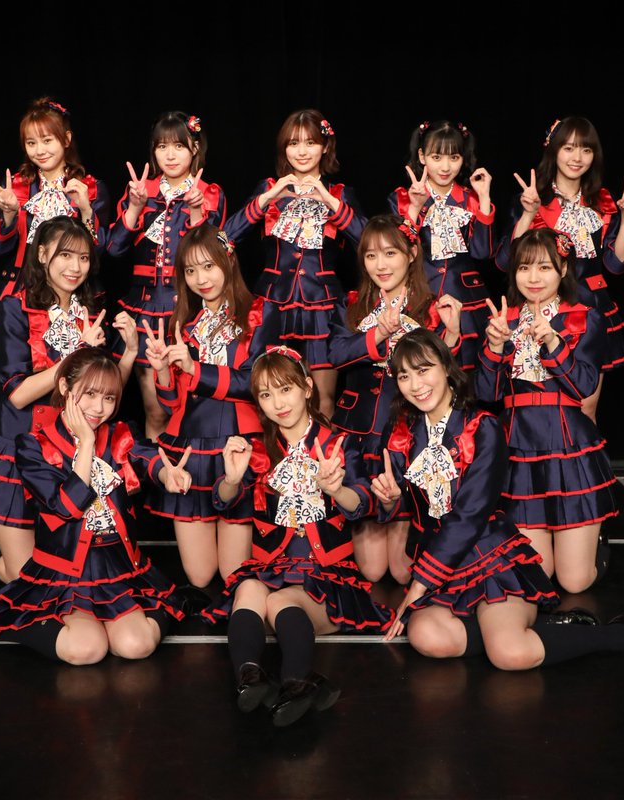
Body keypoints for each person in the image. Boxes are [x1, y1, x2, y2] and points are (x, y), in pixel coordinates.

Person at [374, 329, 624, 669]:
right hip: (444, 569)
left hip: (488, 558)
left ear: (446, 368)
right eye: (404, 376)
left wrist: (419, 586)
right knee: (427, 636)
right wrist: (391, 501)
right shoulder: (402, 434)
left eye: (423, 370)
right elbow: (414, 508)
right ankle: (541, 628)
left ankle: (620, 634)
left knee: (510, 655)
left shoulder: (482, 427)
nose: (415, 384)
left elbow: (470, 515)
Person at [0, 348, 187, 664]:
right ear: (65, 388)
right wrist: (86, 443)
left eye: (109, 398)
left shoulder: (120, 434)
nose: (99, 408)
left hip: (117, 567)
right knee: (86, 650)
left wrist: (167, 473)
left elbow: (146, 456)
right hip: (64, 573)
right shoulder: (33, 446)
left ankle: (172, 605)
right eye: (90, 394)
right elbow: (68, 506)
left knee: (136, 646)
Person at [203, 348, 394, 726]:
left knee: (278, 601)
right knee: (248, 590)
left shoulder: (338, 444)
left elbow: (363, 504)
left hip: (325, 575)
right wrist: (231, 480)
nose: (278, 403)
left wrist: (337, 490)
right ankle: (250, 679)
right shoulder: (258, 449)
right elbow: (224, 503)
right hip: (272, 567)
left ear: (307, 387)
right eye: (266, 394)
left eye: (286, 389)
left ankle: (297, 682)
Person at [0, 216, 137, 584]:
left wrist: (129, 351)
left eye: (83, 258)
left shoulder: (89, 311)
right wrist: (76, 353)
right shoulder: (14, 308)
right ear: (41, 255)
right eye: (65, 255)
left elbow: (103, 391)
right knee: (25, 578)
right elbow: (18, 395)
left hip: (68, 444)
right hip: (18, 442)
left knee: (72, 570)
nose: (75, 267)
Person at [135, 224, 276, 603]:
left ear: (228, 261)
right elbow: (172, 403)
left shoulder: (260, 314)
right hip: (189, 449)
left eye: (208, 266)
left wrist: (195, 369)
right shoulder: (185, 324)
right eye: (191, 270)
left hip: (238, 446)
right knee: (199, 576)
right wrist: (163, 372)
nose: (201, 279)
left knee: (234, 576)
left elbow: (256, 382)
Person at [477, 228, 616, 594]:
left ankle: (598, 547)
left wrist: (553, 341)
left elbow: (583, 386)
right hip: (519, 452)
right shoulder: (503, 321)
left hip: (568, 448)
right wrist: (495, 347)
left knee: (573, 582)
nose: (533, 277)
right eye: (524, 268)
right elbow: (487, 393)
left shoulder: (583, 317)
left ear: (563, 269)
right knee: (539, 577)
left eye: (544, 267)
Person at [331, 214, 462, 584]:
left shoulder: (433, 307)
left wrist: (452, 337)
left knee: (404, 573)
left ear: (411, 253)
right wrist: (378, 333)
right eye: (371, 256)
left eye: (390, 253)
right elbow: (335, 354)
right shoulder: (352, 303)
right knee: (373, 571)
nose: (381, 265)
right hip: (358, 433)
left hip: (409, 433)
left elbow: (452, 380)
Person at [222, 109, 365, 418]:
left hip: (322, 306)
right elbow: (225, 238)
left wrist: (330, 201)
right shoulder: (268, 189)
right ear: (284, 148)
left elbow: (369, 241)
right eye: (293, 143)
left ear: (325, 147)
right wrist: (267, 198)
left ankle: (319, 451)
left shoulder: (340, 194)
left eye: (310, 143)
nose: (302, 151)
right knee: (267, 392)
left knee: (323, 398)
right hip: (273, 302)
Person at [497, 116, 624, 422]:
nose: (577, 157)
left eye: (586, 149)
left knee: (585, 406)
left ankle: (583, 455)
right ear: (554, 150)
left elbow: (615, 264)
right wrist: (528, 214)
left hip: (589, 308)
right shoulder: (533, 198)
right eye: (569, 148)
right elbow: (506, 262)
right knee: (535, 402)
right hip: (540, 308)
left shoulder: (603, 201)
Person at [106, 111, 226, 440]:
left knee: (194, 405)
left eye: (179, 146)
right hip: (146, 310)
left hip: (192, 310)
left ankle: (197, 467)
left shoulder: (209, 193)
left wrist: (198, 213)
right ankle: (156, 469)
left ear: (194, 148)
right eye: (162, 147)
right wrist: (134, 207)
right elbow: (114, 249)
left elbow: (216, 257)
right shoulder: (140, 190)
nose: (170, 155)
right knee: (155, 409)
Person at [388, 120, 495, 367]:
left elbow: (483, 252)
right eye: (436, 157)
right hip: (420, 296)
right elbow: (398, 251)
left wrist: (484, 198)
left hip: (466, 301)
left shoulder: (471, 199)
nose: (446, 167)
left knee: (467, 374)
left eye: (454, 157)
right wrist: (414, 208)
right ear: (422, 156)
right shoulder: (401, 198)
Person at [0, 97, 110, 301]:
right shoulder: (17, 187)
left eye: (47, 140)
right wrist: (9, 215)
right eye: (31, 143)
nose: (40, 150)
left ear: (66, 139)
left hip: (72, 290)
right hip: (24, 290)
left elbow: (97, 253)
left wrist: (86, 210)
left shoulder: (90, 188)